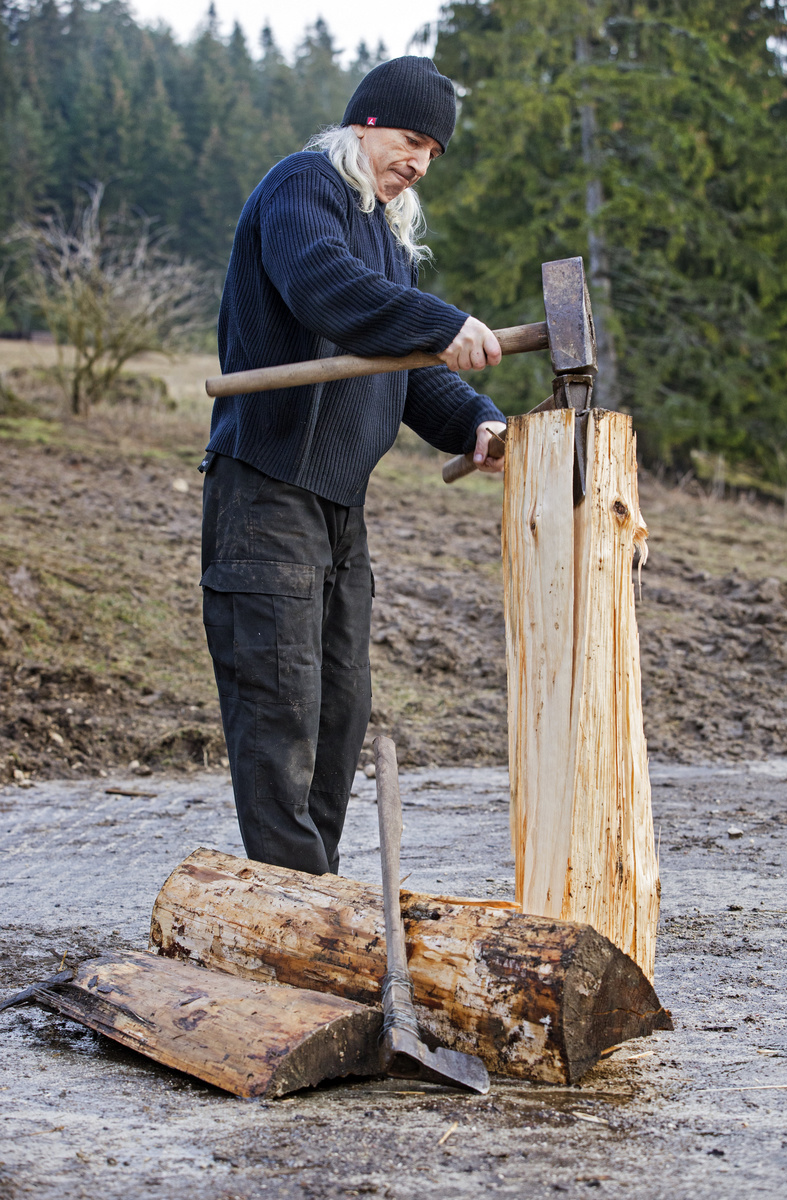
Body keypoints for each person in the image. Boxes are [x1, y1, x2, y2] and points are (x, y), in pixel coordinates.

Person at [200, 55, 507, 876]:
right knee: (281, 711)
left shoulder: (387, 239)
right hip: (266, 493)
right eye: (412, 140)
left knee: (338, 716)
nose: (420, 162)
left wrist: (477, 421)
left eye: (435, 153)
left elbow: (406, 373)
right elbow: (321, 288)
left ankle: (314, 904)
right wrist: (441, 321)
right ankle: (296, 908)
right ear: (365, 125)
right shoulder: (304, 186)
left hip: (339, 510)